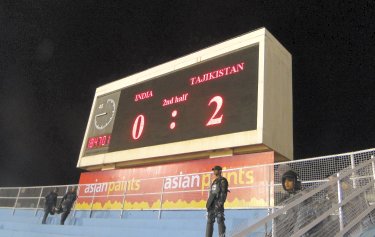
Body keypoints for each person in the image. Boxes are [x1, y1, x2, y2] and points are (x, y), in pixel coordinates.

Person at [206, 165, 229, 237]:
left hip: (218, 204)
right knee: (209, 222)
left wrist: (220, 203)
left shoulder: (223, 180)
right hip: (211, 205)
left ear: (220, 171)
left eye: (215, 170)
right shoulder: (215, 181)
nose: (214, 171)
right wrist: (208, 204)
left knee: (220, 221)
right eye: (213, 170)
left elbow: (223, 193)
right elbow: (212, 193)